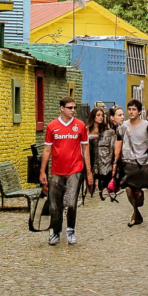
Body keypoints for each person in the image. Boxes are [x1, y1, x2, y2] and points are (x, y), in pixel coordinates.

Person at [39, 97, 93, 246]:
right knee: (55, 204)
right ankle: (56, 232)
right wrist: (43, 171)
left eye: (74, 107)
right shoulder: (52, 126)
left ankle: (70, 230)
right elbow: (47, 149)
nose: (73, 110)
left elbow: (85, 148)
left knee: (71, 202)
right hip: (57, 170)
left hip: (75, 169)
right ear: (62, 108)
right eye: (70, 107)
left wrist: (89, 172)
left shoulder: (80, 126)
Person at [114, 99, 148, 227]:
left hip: (143, 163)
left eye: (134, 109)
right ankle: (136, 213)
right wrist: (115, 162)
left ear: (139, 111)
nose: (131, 112)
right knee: (128, 189)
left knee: (137, 189)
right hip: (128, 163)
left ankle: (137, 207)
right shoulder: (123, 126)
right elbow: (118, 143)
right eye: (129, 109)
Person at [95, 105, 121, 200]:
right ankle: (105, 187)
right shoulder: (108, 131)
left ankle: (110, 187)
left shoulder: (118, 128)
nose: (122, 117)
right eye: (120, 115)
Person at [85, 104, 107, 196]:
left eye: (102, 115)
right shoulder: (87, 130)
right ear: (93, 117)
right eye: (98, 115)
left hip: (101, 161)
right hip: (90, 159)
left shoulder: (104, 131)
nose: (101, 117)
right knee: (90, 185)